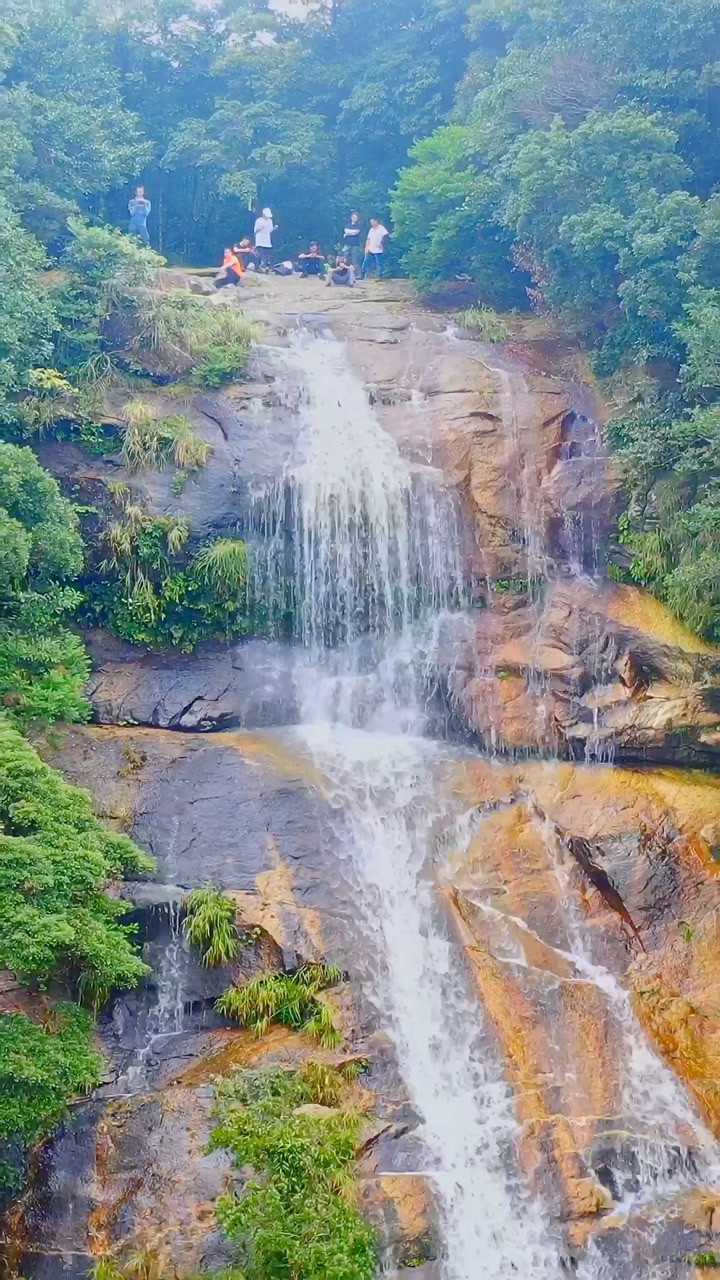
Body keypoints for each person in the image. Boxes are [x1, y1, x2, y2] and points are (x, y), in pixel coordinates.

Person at [254, 207, 276, 272]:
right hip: (260, 239)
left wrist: (274, 228)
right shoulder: (259, 220)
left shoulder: (270, 221)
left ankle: (266, 266)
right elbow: (255, 231)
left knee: (267, 254)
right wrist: (261, 228)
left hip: (267, 240)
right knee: (259, 253)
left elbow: (270, 230)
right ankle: (258, 267)